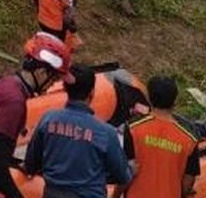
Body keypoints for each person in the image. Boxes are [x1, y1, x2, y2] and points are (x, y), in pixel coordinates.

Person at [0, 33, 74, 198]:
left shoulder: (7, 82)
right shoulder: (14, 102)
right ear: (42, 72)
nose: (55, 83)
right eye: (55, 77)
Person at [25, 64, 132, 198]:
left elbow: (30, 164)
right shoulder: (106, 133)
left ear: (64, 88)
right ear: (92, 93)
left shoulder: (47, 120)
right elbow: (123, 176)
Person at [121, 76, 199, 198]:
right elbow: (187, 184)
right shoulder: (189, 138)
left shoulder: (133, 128)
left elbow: (126, 172)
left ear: (149, 98)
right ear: (174, 101)